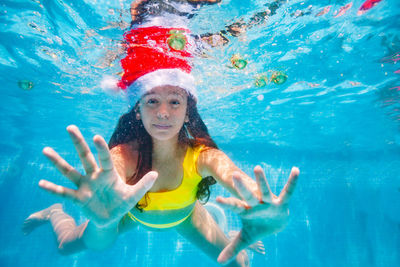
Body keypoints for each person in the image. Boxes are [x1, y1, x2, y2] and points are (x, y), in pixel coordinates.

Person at [23, 1, 300, 266]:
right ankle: (54, 213)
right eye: (152, 101)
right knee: (66, 247)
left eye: (175, 102)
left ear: (188, 111)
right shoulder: (124, 156)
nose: (164, 113)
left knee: (240, 263)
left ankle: (219, 221)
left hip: (187, 218)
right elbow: (110, 184)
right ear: (138, 110)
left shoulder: (202, 156)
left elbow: (233, 177)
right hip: (132, 215)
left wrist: (263, 208)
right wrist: (102, 222)